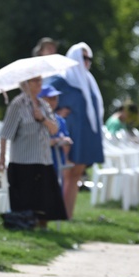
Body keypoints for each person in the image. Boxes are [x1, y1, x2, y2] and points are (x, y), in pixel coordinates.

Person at [0, 76, 67, 227]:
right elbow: (5, 134)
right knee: (26, 198)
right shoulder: (17, 105)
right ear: (25, 84)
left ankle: (43, 226)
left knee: (45, 198)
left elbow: (54, 128)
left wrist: (42, 119)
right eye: (35, 81)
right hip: (24, 160)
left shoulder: (43, 104)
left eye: (40, 80)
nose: (39, 83)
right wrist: (2, 157)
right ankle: (25, 224)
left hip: (43, 159)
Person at [47, 42, 105, 219]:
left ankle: (68, 215)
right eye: (84, 58)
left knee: (76, 174)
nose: (87, 62)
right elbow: (44, 100)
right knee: (65, 173)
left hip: (85, 133)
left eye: (89, 59)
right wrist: (57, 112)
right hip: (67, 133)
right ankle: (57, 213)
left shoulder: (88, 81)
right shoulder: (60, 79)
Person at [38, 85, 72, 182]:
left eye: (55, 98)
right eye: (50, 98)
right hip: (41, 163)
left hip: (58, 163)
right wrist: (53, 142)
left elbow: (65, 137)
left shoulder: (60, 120)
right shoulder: (35, 119)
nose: (53, 101)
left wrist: (66, 141)